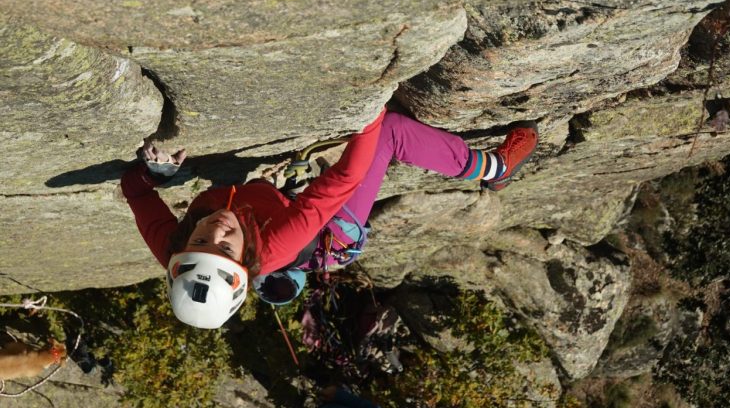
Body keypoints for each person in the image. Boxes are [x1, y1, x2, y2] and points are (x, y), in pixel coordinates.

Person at [121, 107, 538, 328]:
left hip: (269, 201)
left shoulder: (172, 246)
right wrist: (371, 106)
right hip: (332, 236)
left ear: (180, 251)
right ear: (244, 260)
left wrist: (152, 174)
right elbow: (344, 177)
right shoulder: (277, 243)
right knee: (389, 130)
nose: (215, 230)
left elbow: (135, 191)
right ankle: (495, 169)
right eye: (225, 247)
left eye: (201, 241)